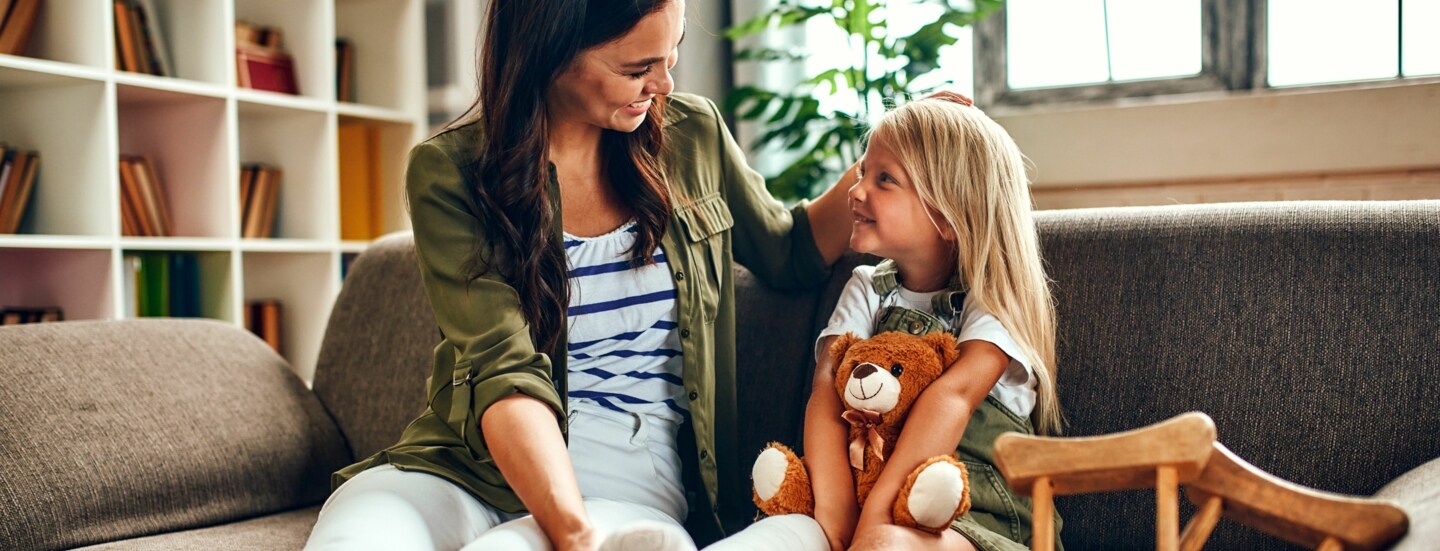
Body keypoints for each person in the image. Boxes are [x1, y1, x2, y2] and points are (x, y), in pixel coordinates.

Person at [303, 0, 854, 550]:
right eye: (637, 69)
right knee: (354, 536)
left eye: (674, 52)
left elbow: (791, 250)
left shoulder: (693, 136)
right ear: (550, 51)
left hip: (629, 477)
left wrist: (900, 146)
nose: (662, 83)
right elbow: (503, 367)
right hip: (468, 466)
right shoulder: (452, 171)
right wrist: (572, 533)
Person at [706, 92, 1064, 551]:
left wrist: (873, 525)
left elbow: (950, 399)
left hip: (979, 523)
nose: (856, 191)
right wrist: (835, 521)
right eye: (862, 174)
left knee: (886, 548)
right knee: (773, 539)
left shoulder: (992, 302)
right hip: (859, 507)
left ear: (948, 213)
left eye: (884, 179)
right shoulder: (867, 287)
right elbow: (826, 393)